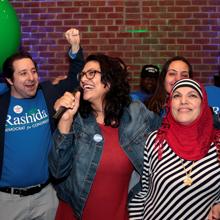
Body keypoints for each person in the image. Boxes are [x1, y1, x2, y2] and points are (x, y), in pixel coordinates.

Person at [48, 53, 161, 219]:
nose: (84, 79)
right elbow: (57, 172)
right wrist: (65, 121)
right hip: (76, 213)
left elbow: (170, 131)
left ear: (109, 80)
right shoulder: (77, 119)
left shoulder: (135, 113)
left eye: (91, 73)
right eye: (82, 75)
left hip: (118, 213)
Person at [0, 28, 84, 219]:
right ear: (9, 79)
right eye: (23, 73)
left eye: (33, 71)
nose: (31, 78)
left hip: (46, 196)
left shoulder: (47, 94)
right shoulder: (2, 106)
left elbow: (74, 79)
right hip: (7, 201)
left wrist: (75, 48)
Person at [129, 78, 220, 220]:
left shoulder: (218, 144)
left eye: (192, 95)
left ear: (203, 104)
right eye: (177, 96)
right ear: (170, 103)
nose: (183, 101)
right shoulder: (156, 140)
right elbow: (144, 191)